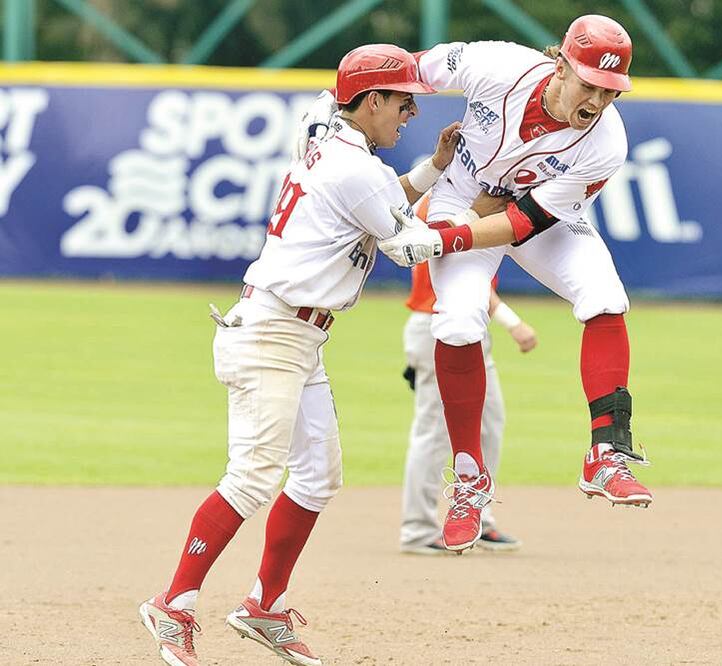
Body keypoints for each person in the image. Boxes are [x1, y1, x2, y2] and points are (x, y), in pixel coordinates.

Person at [138, 44, 457, 666]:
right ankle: (172, 604)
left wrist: (434, 168)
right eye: (401, 99)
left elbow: (376, 199)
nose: (411, 111)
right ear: (368, 101)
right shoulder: (355, 168)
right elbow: (406, 244)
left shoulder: (327, 132)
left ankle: (264, 606)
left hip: (298, 335)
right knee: (253, 476)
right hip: (273, 331)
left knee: (318, 476)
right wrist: (494, 222)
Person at [378, 15, 654, 553]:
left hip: (529, 221)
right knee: (456, 322)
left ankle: (607, 452)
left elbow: (521, 224)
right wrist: (336, 108)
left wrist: (440, 241)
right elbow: (410, 70)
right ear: (560, 65)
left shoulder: (606, 143)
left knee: (604, 296)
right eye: (589, 84)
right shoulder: (495, 64)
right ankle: (469, 480)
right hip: (459, 198)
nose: (597, 101)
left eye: (610, 91)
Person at [399, 196, 536, 555]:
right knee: (434, 431)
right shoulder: (440, 204)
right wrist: (513, 323)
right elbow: (462, 278)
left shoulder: (483, 196)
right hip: (438, 325)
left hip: (470, 329)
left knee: (490, 422)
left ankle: (479, 514)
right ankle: (418, 529)